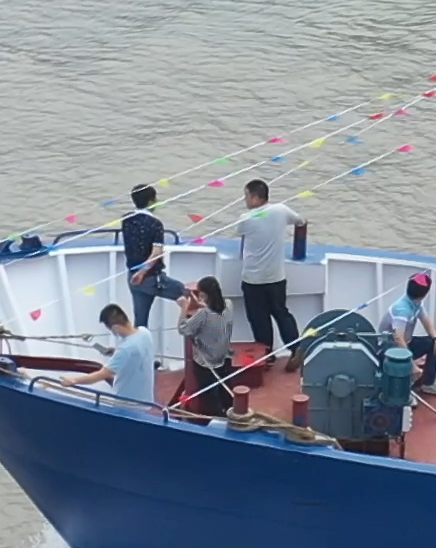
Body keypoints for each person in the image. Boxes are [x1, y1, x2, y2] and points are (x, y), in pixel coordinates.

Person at [46, 304, 161, 410]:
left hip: (128, 404)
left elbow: (102, 374)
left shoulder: (125, 349)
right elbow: (137, 351)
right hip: (146, 400)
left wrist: (74, 380)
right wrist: (115, 351)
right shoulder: (144, 332)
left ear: (115, 328)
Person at [228, 177, 297, 354]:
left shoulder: (246, 219)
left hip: (253, 280)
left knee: (259, 319)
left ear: (255, 198)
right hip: (276, 277)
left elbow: (239, 232)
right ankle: (296, 347)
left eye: (246, 196)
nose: (245, 200)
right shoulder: (281, 210)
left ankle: (266, 354)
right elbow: (299, 220)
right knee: (282, 314)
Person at [118, 184, 182, 332]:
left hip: (132, 277)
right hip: (152, 279)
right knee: (187, 293)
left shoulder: (126, 220)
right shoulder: (155, 224)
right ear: (151, 202)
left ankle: (139, 344)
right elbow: (156, 252)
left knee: (140, 323)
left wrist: (137, 274)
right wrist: (142, 272)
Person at [174, 278, 240, 417]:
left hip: (206, 364)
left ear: (204, 295)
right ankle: (230, 414)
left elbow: (183, 329)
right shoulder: (229, 305)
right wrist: (201, 304)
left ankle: (214, 419)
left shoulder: (203, 315)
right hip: (224, 359)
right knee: (226, 393)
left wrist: (184, 307)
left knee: (209, 399)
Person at [388, 272, 436, 394]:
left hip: (406, 343)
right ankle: (405, 388)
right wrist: (412, 364)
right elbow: (398, 338)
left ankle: (428, 384)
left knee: (432, 344)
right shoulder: (401, 309)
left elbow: (426, 321)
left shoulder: (416, 304)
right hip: (390, 350)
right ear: (425, 294)